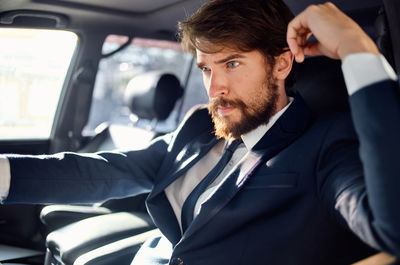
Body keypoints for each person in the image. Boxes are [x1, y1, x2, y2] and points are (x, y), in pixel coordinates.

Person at [1, 1, 400, 264]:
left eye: (232, 64)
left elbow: (392, 226)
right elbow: (108, 171)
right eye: (206, 68)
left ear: (281, 64)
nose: (214, 88)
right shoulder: (199, 127)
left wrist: (355, 48)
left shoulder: (328, 143)